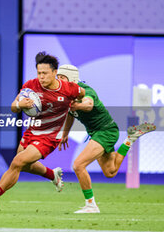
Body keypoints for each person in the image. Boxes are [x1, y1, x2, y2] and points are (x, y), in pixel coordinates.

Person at [0, 52, 85, 209]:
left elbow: (83, 94)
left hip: (49, 138)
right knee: (24, 165)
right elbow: (14, 106)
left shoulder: (69, 89)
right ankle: (52, 175)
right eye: (39, 73)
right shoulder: (31, 86)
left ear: (55, 73)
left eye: (45, 73)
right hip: (31, 133)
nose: (41, 77)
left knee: (17, 162)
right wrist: (21, 105)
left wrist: (79, 105)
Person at [57, 64, 156, 213]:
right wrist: (65, 134)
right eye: (58, 77)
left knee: (78, 165)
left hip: (105, 131)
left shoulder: (86, 91)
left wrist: (77, 105)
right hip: (97, 133)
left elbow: (88, 104)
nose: (59, 80)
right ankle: (130, 139)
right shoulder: (66, 94)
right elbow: (70, 114)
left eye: (62, 77)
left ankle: (91, 205)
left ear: (72, 78)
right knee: (110, 172)